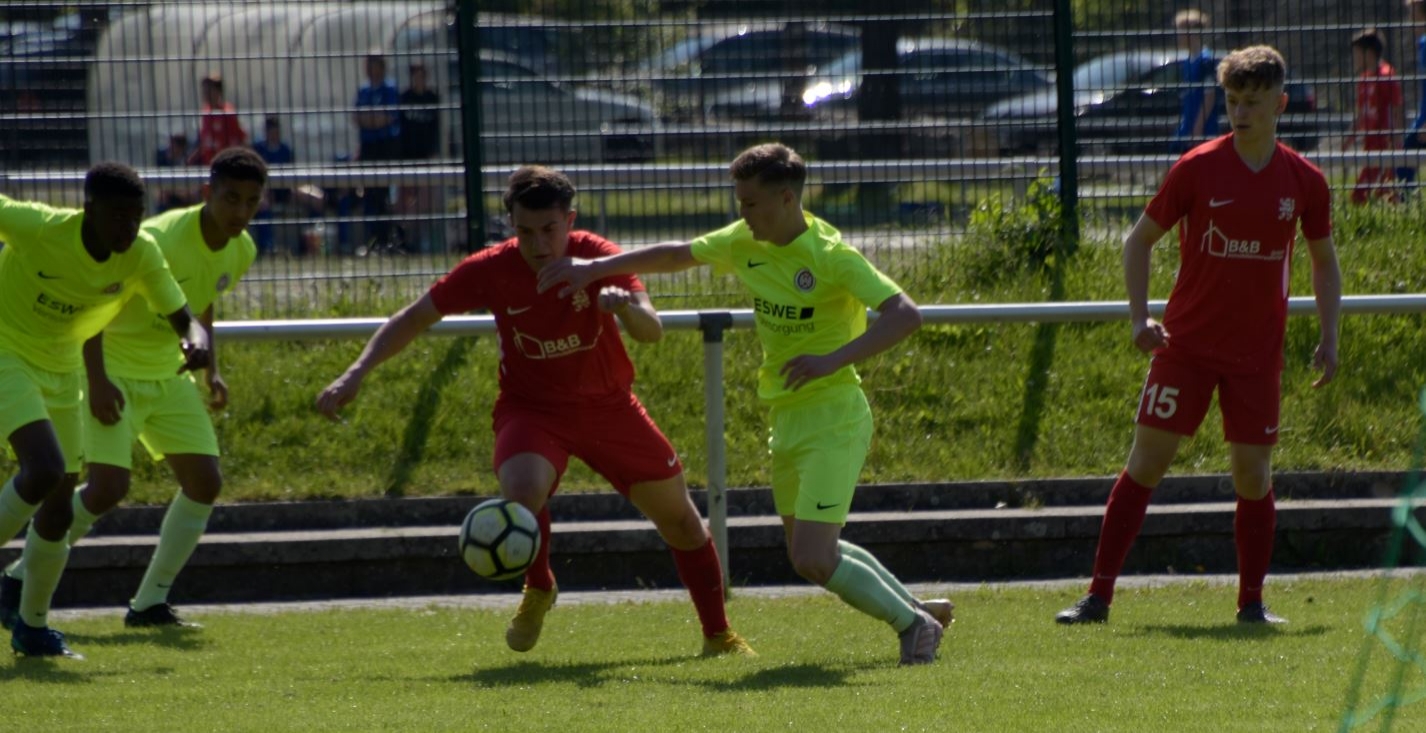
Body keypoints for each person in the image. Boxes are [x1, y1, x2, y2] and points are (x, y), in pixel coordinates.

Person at [537, 143, 952, 666]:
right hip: (787, 416)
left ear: (786, 199)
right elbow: (676, 254)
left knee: (813, 557)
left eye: (751, 203)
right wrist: (594, 268)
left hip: (835, 417)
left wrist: (831, 360)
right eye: (739, 202)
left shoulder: (830, 256)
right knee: (809, 553)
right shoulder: (743, 240)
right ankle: (918, 609)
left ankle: (913, 627)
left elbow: (905, 314)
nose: (742, 213)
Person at [316, 166, 754, 658]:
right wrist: (355, 372)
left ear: (570, 220)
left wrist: (624, 308)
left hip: (610, 409)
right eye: (525, 232)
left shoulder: (598, 254)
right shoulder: (491, 268)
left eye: (549, 230)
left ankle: (718, 636)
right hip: (533, 411)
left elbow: (650, 330)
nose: (539, 244)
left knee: (683, 524)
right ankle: (540, 585)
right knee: (522, 491)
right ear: (511, 225)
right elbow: (415, 316)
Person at [1054, 46, 1341, 626]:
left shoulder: (1305, 181)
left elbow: (1323, 261)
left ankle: (1251, 603)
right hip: (1184, 347)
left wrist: (1329, 336)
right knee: (1146, 464)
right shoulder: (1197, 167)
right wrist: (1140, 318)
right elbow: (1138, 242)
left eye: (1253, 102)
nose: (1240, 113)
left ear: (1280, 104)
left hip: (1256, 354)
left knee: (1252, 475)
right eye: (1233, 101)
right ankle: (1097, 597)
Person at [0, 148, 265, 632]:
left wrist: (208, 362)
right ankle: (20, 583)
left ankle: (143, 604)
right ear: (207, 192)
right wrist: (98, 380)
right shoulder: (148, 238)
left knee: (204, 481)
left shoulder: (232, 248)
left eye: (251, 202)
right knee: (91, 484)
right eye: (231, 198)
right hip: (104, 369)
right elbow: (95, 306)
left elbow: (195, 307)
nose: (241, 212)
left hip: (161, 374)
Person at [352, 53, 402, 251]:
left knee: (383, 193)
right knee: (369, 193)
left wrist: (371, 120)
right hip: (368, 147)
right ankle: (372, 239)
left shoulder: (389, 89)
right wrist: (373, 119)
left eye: (372, 65)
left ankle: (386, 239)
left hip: (385, 146)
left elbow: (387, 117)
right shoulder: (363, 90)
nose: (368, 69)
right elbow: (357, 117)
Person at [398, 61, 441, 253]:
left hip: (426, 157)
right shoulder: (405, 98)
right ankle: (405, 238)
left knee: (425, 198)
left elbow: (437, 128)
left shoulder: (432, 98)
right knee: (405, 198)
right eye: (415, 75)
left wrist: (434, 151)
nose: (418, 79)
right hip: (407, 156)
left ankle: (414, 235)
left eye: (421, 75)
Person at [1173, 9, 1220, 154]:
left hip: (1203, 129)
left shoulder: (1206, 61)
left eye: (1180, 32)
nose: (1177, 36)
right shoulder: (1187, 62)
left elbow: (1210, 96)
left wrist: (1198, 129)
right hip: (1188, 125)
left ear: (1191, 33)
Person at [252, 116, 294, 255]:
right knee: (264, 204)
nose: (274, 134)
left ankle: (310, 243)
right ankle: (267, 245)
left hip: (284, 189)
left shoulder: (285, 149)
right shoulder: (258, 148)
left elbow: (291, 174)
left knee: (315, 198)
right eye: (271, 131)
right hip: (263, 190)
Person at [1396, 0, 1426, 187]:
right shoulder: (1422, 44)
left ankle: (1409, 200)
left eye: (1414, 16)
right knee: (1403, 162)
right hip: (1422, 119)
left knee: (1404, 163)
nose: (1410, 21)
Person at [190, 72, 248, 167]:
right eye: (204, 91)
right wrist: (192, 159)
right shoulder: (206, 112)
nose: (205, 94)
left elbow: (241, 140)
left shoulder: (228, 113)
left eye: (209, 90)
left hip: (226, 165)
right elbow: (204, 141)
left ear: (218, 92)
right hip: (208, 164)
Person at [155, 131, 199, 213]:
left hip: (184, 204)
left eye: (173, 146)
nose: (169, 149)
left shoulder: (191, 162)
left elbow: (190, 194)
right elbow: (159, 193)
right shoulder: (163, 160)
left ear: (181, 148)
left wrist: (170, 190)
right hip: (169, 203)